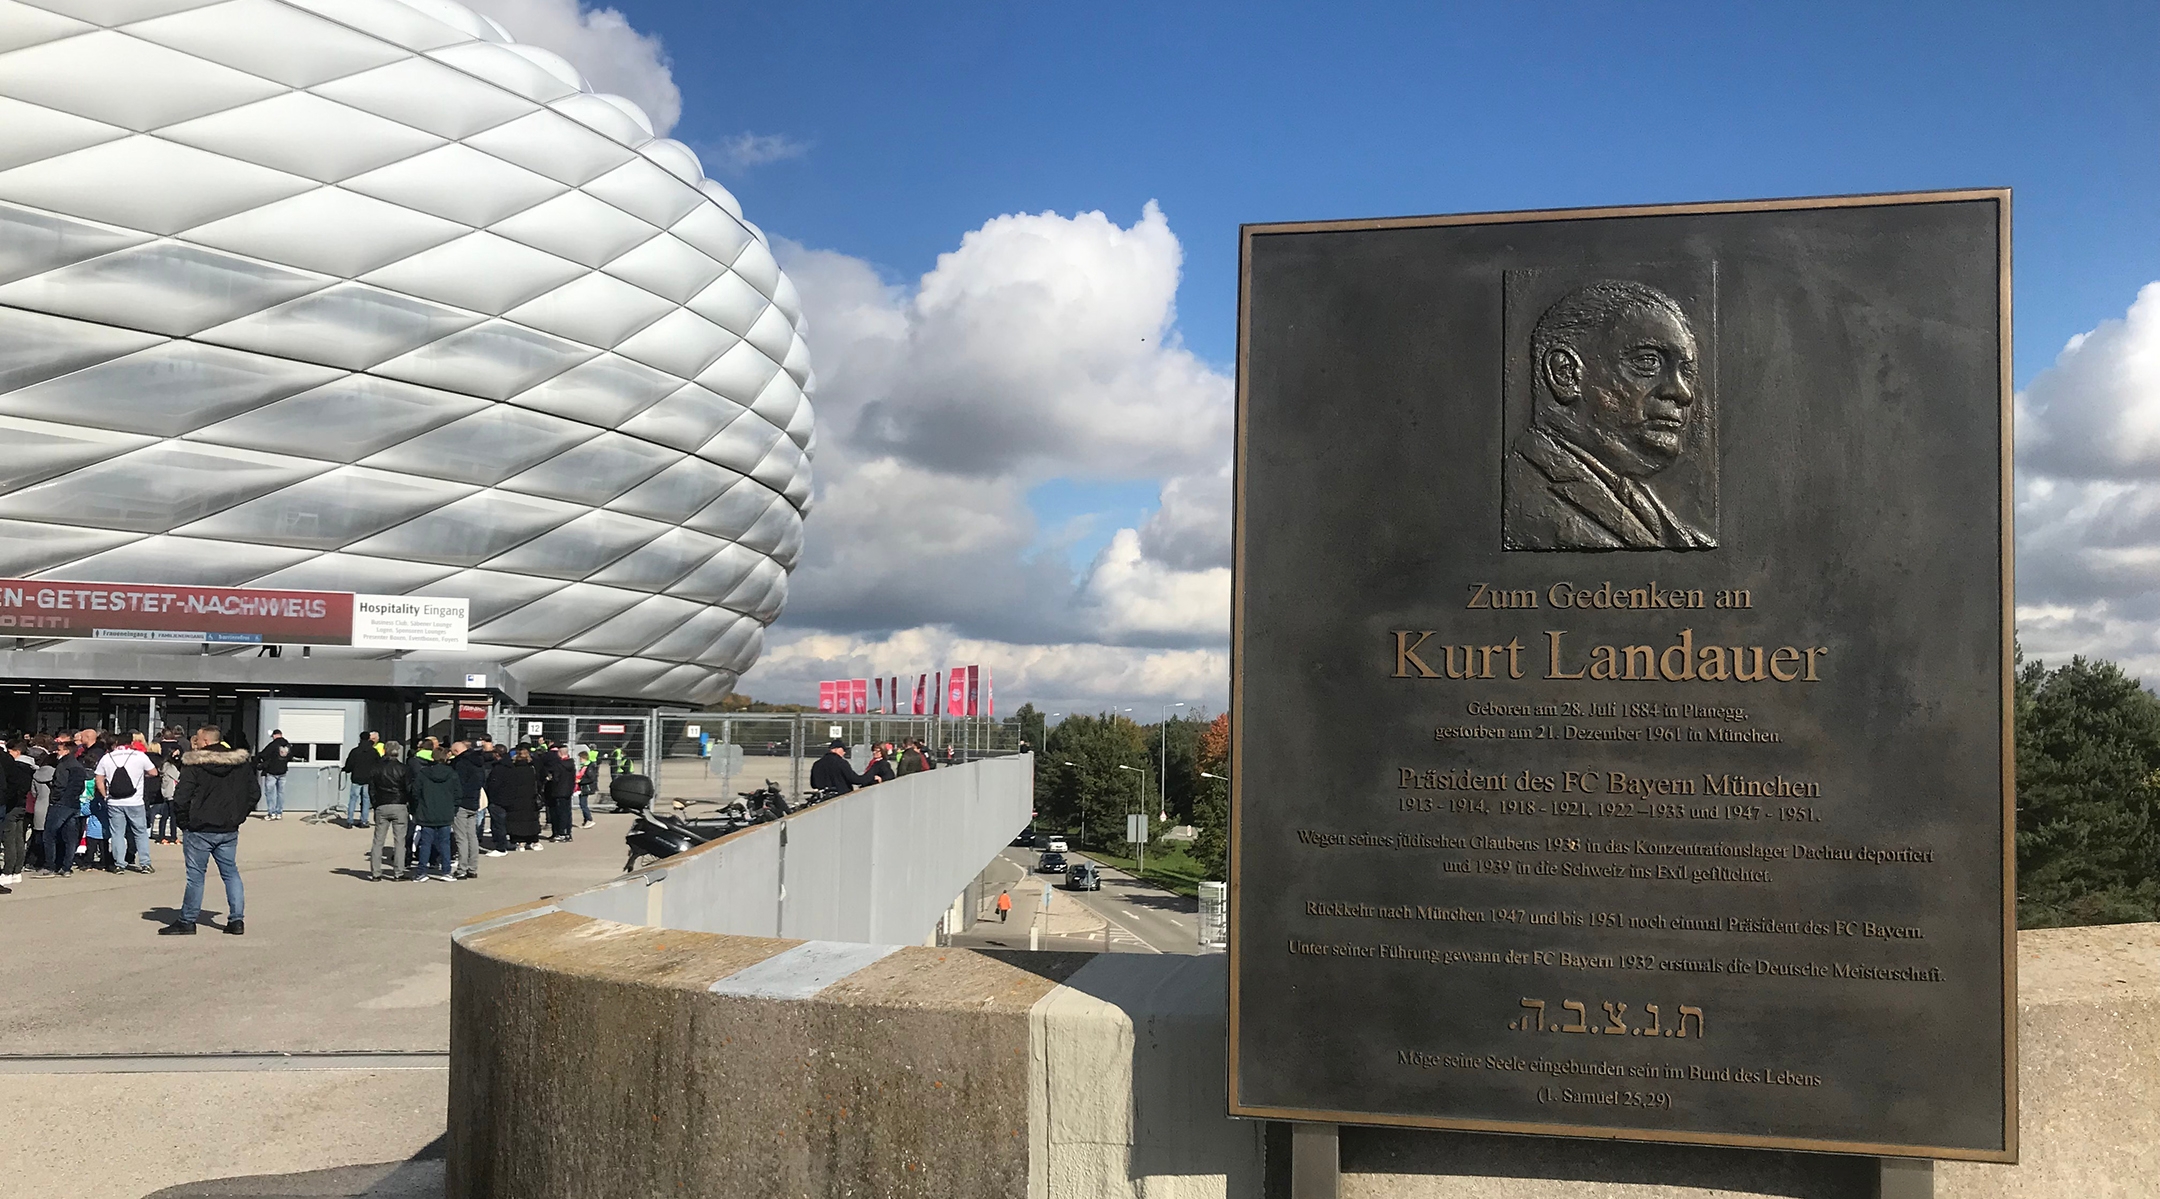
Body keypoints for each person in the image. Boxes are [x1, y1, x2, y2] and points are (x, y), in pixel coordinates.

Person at [1502, 279, 1715, 551]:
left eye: (1687, 371)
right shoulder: (1523, 497)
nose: (1683, 393)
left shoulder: (1664, 519)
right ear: (1565, 374)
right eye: (1648, 362)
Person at [163, 725, 256, 935]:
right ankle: (236, 920)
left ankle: (187, 920)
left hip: (199, 828)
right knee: (231, 873)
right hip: (228, 827)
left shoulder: (195, 765)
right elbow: (254, 793)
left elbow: (181, 797)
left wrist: (184, 822)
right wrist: (239, 815)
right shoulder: (239, 764)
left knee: (196, 876)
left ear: (205, 742)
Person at [95, 730, 155, 874]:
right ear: (132, 742)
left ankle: (119, 864)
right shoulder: (140, 756)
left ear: (116, 743)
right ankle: (145, 863)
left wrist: (105, 796)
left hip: (114, 801)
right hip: (135, 801)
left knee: (117, 833)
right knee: (140, 832)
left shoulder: (107, 757)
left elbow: (99, 779)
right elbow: (154, 773)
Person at [408, 738, 460, 882]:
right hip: (445, 813)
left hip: (426, 812)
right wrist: (453, 810)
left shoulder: (423, 774)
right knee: (445, 843)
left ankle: (421, 872)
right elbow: (458, 794)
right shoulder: (452, 774)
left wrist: (417, 808)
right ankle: (446, 872)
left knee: (425, 843)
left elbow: (415, 793)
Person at [40, 734, 91, 877]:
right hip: (74, 803)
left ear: (66, 751)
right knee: (70, 837)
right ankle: (66, 867)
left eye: (59, 749)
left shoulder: (63, 765)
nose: (56, 752)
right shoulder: (78, 766)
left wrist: (55, 798)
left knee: (49, 834)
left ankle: (50, 866)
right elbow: (80, 787)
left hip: (61, 803)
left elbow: (60, 785)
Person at [368, 742, 411, 882]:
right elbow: (408, 788)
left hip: (382, 804)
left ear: (385, 750)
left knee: (378, 841)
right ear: (397, 751)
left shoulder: (376, 768)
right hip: (399, 805)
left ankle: (376, 873)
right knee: (400, 841)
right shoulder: (403, 768)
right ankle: (398, 872)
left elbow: (372, 789)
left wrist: (375, 805)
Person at [487, 749, 543, 852]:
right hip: (530, 797)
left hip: (516, 798)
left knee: (516, 820)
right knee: (531, 819)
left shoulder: (512, 769)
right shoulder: (532, 768)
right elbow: (538, 783)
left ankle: (519, 842)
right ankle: (533, 840)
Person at [449, 740, 487, 880]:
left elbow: (457, 784)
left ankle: (462, 869)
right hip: (474, 801)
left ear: (457, 752)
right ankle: (473, 868)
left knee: (461, 837)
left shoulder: (460, 764)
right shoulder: (478, 762)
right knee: (472, 836)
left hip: (461, 802)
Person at [0, 737, 31, 892]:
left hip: (12, 804)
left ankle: (8, 871)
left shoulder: (14, 766)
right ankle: (17, 870)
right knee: (19, 837)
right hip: (22, 803)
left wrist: (7, 798)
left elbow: (10, 785)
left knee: (9, 838)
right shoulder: (31, 766)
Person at [151, 728, 183, 844]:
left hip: (169, 793)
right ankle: (164, 836)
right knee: (167, 816)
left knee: (170, 816)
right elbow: (178, 776)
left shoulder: (167, 764)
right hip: (170, 793)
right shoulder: (168, 766)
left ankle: (172, 836)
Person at [539, 742, 574, 842]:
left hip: (558, 791)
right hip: (567, 791)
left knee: (559, 812)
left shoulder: (558, 765)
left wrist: (549, 778)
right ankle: (567, 833)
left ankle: (560, 833)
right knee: (567, 812)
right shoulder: (571, 763)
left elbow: (555, 778)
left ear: (560, 753)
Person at [342, 735, 379, 829]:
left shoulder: (355, 751)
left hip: (356, 779)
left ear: (360, 739)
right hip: (368, 779)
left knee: (353, 799)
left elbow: (349, 764)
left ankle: (349, 821)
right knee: (366, 800)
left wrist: (346, 770)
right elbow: (378, 764)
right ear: (368, 739)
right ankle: (364, 821)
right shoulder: (373, 752)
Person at [809, 740, 873, 795]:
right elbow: (854, 779)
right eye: (843, 750)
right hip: (840, 797)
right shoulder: (841, 763)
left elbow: (813, 784)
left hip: (823, 797)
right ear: (837, 749)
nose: (844, 752)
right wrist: (870, 776)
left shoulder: (817, 764)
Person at [256, 729, 292, 820]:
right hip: (283, 771)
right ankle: (279, 813)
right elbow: (290, 757)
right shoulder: (288, 745)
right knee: (281, 793)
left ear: (275, 735)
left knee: (270, 793)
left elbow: (263, 754)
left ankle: (271, 813)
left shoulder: (273, 745)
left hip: (272, 772)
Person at [575, 750, 598, 828]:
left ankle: (589, 819)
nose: (580, 760)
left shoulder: (589, 766)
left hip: (586, 787)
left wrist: (580, 781)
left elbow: (591, 778)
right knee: (583, 803)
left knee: (583, 804)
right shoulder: (584, 766)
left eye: (580, 758)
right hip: (583, 787)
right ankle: (586, 820)